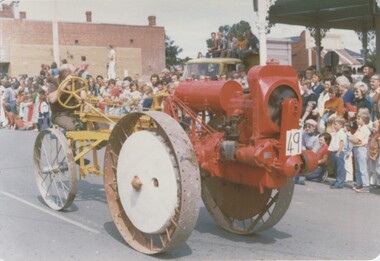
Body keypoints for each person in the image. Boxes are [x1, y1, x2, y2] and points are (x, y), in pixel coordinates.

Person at [349, 110, 371, 193]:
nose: (357, 120)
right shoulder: (359, 128)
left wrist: (350, 137)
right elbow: (354, 139)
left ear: (364, 120)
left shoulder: (365, 129)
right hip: (356, 148)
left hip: (361, 148)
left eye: (359, 119)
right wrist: (352, 138)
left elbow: (356, 140)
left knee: (362, 168)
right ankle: (359, 183)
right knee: (357, 168)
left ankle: (365, 186)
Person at [328, 117, 347, 189]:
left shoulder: (341, 133)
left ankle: (340, 182)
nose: (334, 126)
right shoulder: (336, 132)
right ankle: (337, 180)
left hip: (339, 152)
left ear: (341, 125)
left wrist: (339, 152)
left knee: (340, 168)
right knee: (336, 167)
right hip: (334, 151)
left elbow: (342, 142)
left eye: (335, 124)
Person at [367, 120, 380, 187]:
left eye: (375, 127)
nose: (373, 128)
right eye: (373, 127)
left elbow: (379, 147)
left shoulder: (378, 136)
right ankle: (372, 182)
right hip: (372, 153)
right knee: (372, 169)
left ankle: (378, 183)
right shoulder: (372, 135)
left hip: (376, 155)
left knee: (378, 169)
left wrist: (376, 155)